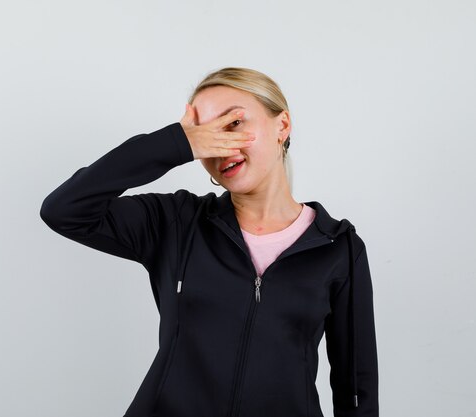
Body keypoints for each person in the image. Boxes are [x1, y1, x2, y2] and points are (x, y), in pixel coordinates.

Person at [40, 67, 379, 417]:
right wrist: (176, 144)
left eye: (233, 124)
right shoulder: (175, 223)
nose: (219, 145)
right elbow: (64, 210)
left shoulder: (338, 247)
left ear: (282, 126)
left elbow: (355, 388)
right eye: (203, 133)